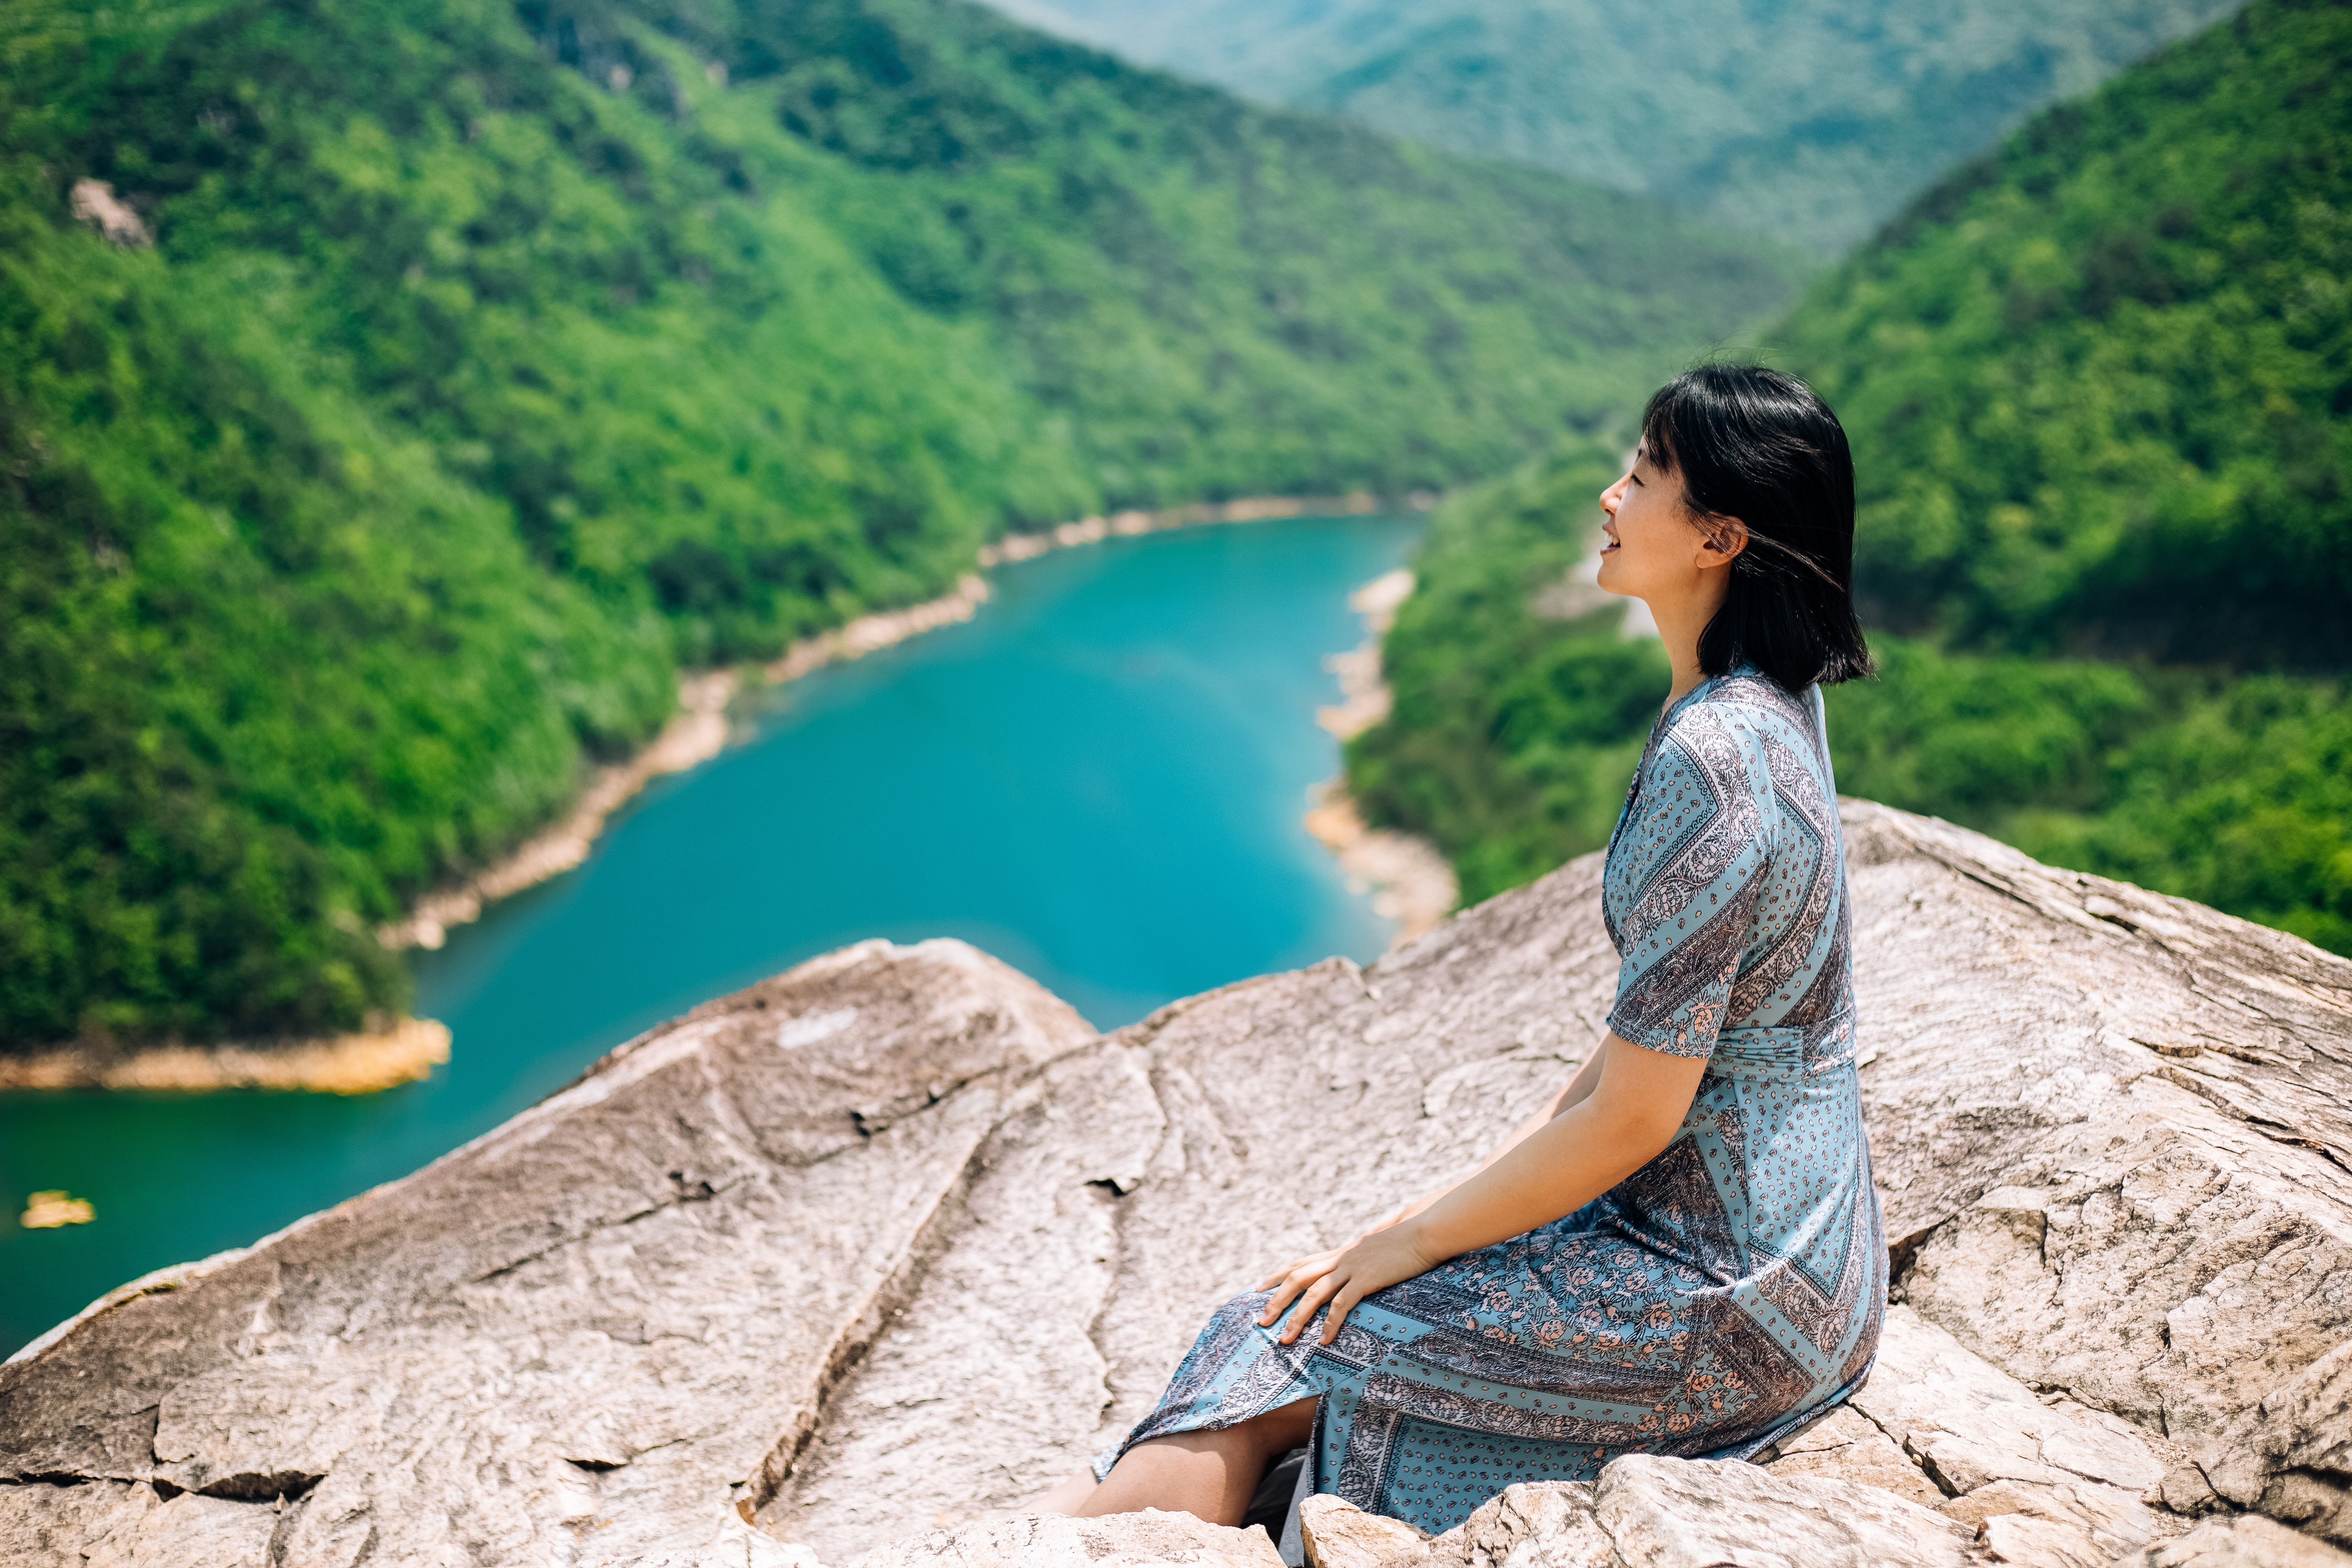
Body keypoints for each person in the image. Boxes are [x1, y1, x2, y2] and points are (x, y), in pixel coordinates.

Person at [1028, 364, 1885, 1539]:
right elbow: (1655, 1045)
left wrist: (1410, 1240)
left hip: (1725, 1292)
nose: (1608, 495)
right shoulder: (1778, 702)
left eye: (1642, 477)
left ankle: (1063, 1544)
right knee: (1324, 1315)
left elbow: (1638, 1117)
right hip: (1806, 1258)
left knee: (1278, 1338)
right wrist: (1462, 1206)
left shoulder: (1714, 764)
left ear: (1720, 537)